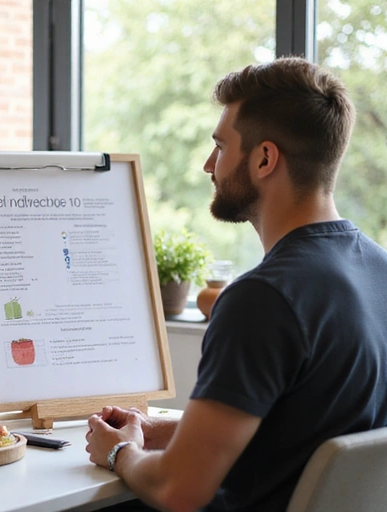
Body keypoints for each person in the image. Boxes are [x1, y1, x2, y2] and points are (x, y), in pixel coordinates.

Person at [85, 57, 387, 511]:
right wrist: (149, 430)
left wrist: (118, 452)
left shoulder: (262, 299)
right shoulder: (379, 270)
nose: (209, 165)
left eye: (221, 146)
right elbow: (296, 428)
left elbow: (177, 490)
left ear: (265, 158)